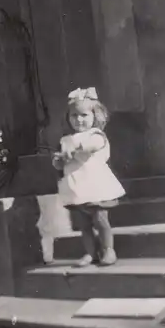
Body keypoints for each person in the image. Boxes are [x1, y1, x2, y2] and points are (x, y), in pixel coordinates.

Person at [52, 87, 125, 267]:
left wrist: (74, 151)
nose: (79, 120)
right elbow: (61, 162)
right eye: (74, 116)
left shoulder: (95, 135)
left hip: (94, 184)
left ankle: (108, 249)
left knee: (100, 218)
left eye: (84, 115)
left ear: (95, 116)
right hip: (76, 186)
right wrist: (59, 161)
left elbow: (91, 146)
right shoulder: (66, 140)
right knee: (83, 224)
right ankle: (89, 253)